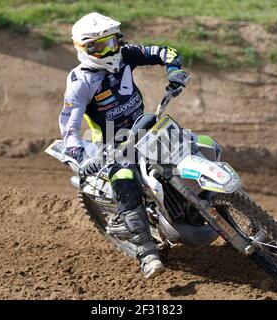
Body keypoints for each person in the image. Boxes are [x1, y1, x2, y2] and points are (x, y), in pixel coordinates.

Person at [59, 12, 190, 279]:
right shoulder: (81, 82)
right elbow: (69, 129)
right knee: (124, 176)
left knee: (188, 143)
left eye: (112, 42)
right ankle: (147, 252)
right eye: (100, 46)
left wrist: (175, 72)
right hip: (112, 142)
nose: (110, 50)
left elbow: (165, 51)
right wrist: (82, 157)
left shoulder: (127, 54)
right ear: (84, 49)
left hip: (146, 124)